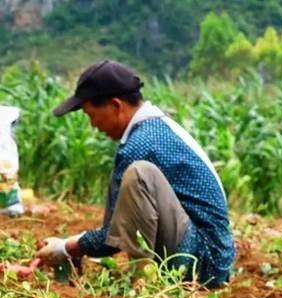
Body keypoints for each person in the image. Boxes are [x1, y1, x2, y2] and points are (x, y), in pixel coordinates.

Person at [34, 60, 235, 286]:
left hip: (203, 262)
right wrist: (72, 247)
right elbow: (115, 232)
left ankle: (145, 285)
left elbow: (111, 239)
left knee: (139, 173)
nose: (93, 125)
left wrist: (65, 247)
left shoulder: (141, 144)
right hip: (209, 255)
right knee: (136, 173)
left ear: (115, 105)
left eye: (92, 115)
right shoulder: (152, 129)